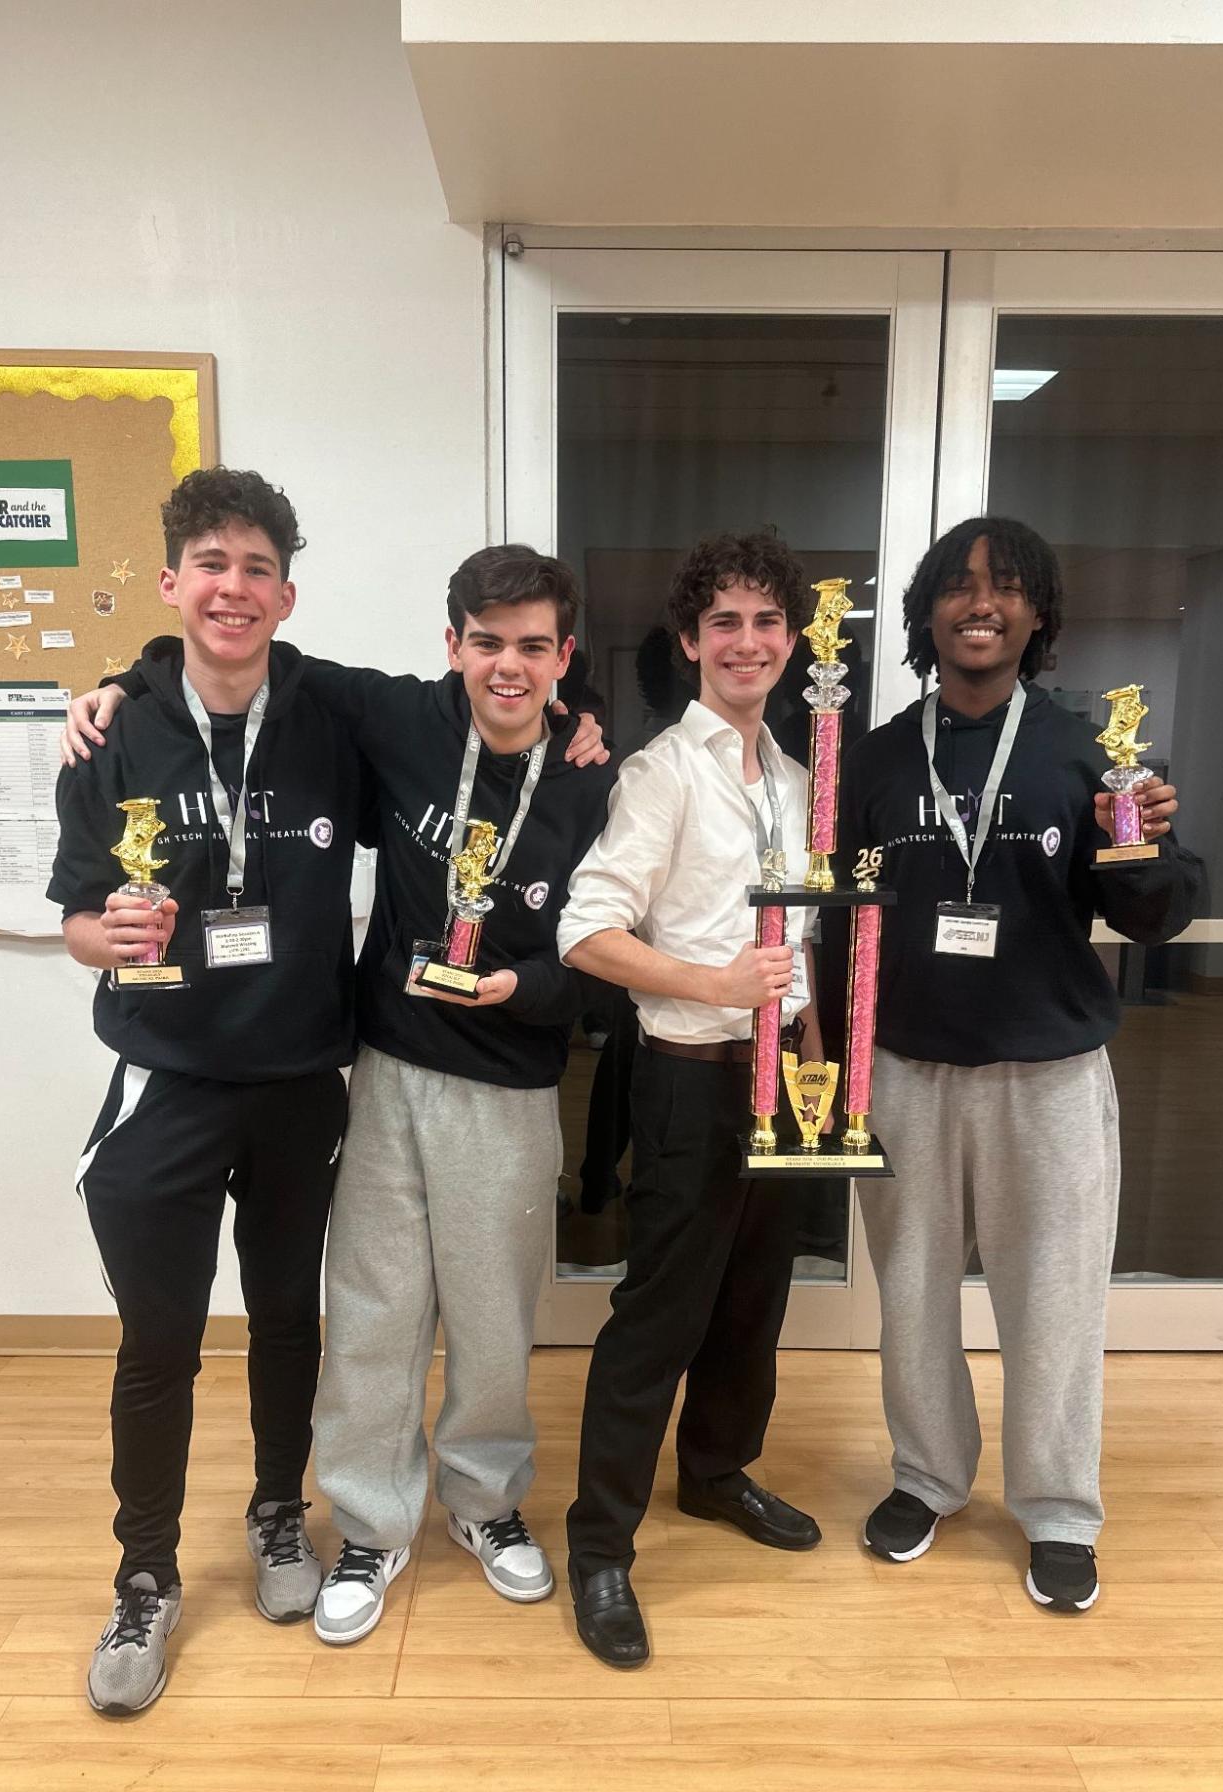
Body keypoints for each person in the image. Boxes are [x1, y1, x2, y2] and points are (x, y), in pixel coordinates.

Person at [841, 515, 1203, 1613]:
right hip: (906, 1071)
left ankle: (1057, 1508)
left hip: (1048, 1075)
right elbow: (838, 916)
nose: (981, 604)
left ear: (1037, 613)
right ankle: (928, 1476)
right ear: (927, 612)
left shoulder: (1088, 753)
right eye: (958, 586)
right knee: (912, 1297)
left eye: (1005, 586)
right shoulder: (876, 758)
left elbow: (1153, 917)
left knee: (1054, 1302)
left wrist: (1144, 848)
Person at [49, 467, 365, 1715]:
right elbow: (76, 916)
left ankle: (280, 1511)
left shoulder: (331, 715)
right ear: (172, 582)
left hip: (298, 1082)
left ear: (287, 594)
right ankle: (144, 1572)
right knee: (160, 1343)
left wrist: (584, 711)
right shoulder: (114, 731)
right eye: (211, 565)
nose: (234, 589)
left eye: (257, 569)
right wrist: (108, 939)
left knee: (288, 1319)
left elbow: (472, 710)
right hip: (167, 1082)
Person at [303, 547, 615, 1644]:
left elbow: (601, 955)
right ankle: (370, 1521)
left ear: (565, 657)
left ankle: (483, 1501)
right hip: (390, 1068)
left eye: (533, 645)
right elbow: (257, 663)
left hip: (510, 1083)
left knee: (493, 1317)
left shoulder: (593, 781)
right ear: (453, 646)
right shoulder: (402, 719)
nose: (507, 666)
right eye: (487, 642)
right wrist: (137, 673)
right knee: (376, 1309)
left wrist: (524, 988)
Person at [557, 530, 827, 1669]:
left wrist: (810, 1041)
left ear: (792, 641)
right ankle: (600, 1547)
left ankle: (716, 1472)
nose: (746, 642)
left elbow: (800, 940)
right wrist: (714, 984)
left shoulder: (799, 780)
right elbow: (585, 931)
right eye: (725, 623)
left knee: (752, 1302)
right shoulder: (661, 773)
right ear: (689, 641)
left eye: (766, 622)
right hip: (689, 1077)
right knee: (659, 1318)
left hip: (785, 1085)